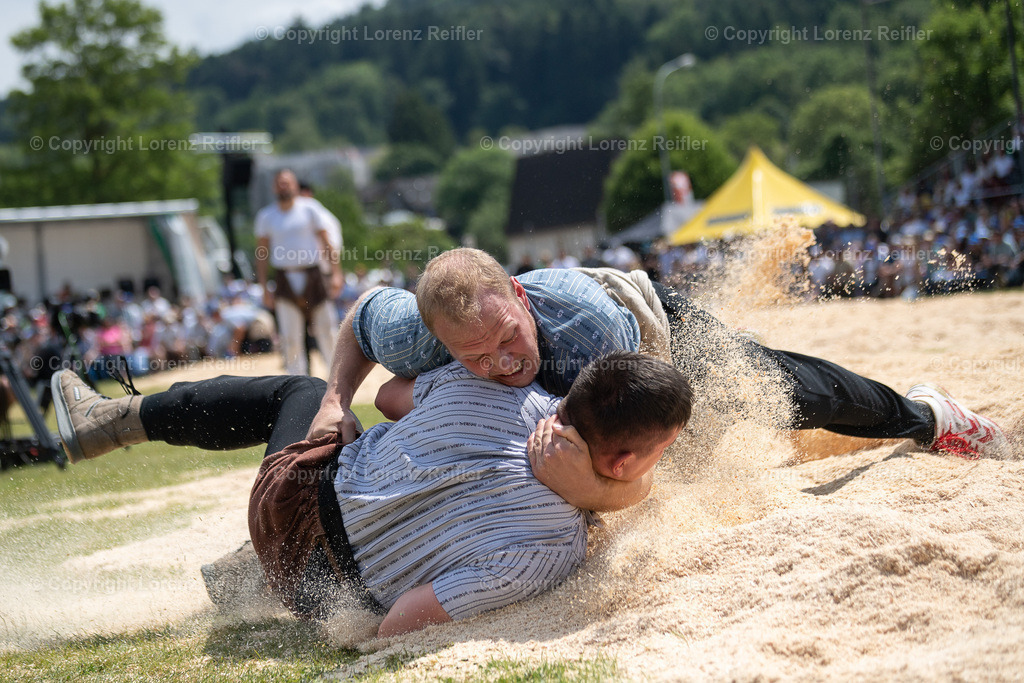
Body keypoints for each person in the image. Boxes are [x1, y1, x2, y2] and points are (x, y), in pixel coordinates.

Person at [307, 247, 1008, 510]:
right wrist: (336, 396)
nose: (503, 363)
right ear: (439, 339)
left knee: (786, 393)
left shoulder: (588, 332)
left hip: (657, 344)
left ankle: (925, 415)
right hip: (595, 370)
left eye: (509, 340)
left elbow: (614, 461)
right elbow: (361, 315)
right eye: (476, 357)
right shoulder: (419, 324)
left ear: (520, 296)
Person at [50, 350, 692, 636]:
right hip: (317, 590)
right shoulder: (552, 548)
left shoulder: (502, 394)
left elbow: (386, 397)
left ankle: (117, 421)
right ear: (630, 458)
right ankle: (252, 576)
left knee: (302, 395)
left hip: (290, 501)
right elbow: (402, 620)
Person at [255, 169, 344, 376]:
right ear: (273, 187)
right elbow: (261, 254)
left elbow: (326, 242)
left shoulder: (310, 209)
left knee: (327, 331)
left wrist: (336, 273)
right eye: (280, 183)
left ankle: (337, 381)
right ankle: (298, 382)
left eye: (287, 182)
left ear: (295, 185)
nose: (283, 186)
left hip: (313, 274)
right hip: (284, 276)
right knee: (290, 336)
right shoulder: (266, 216)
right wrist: (263, 286)